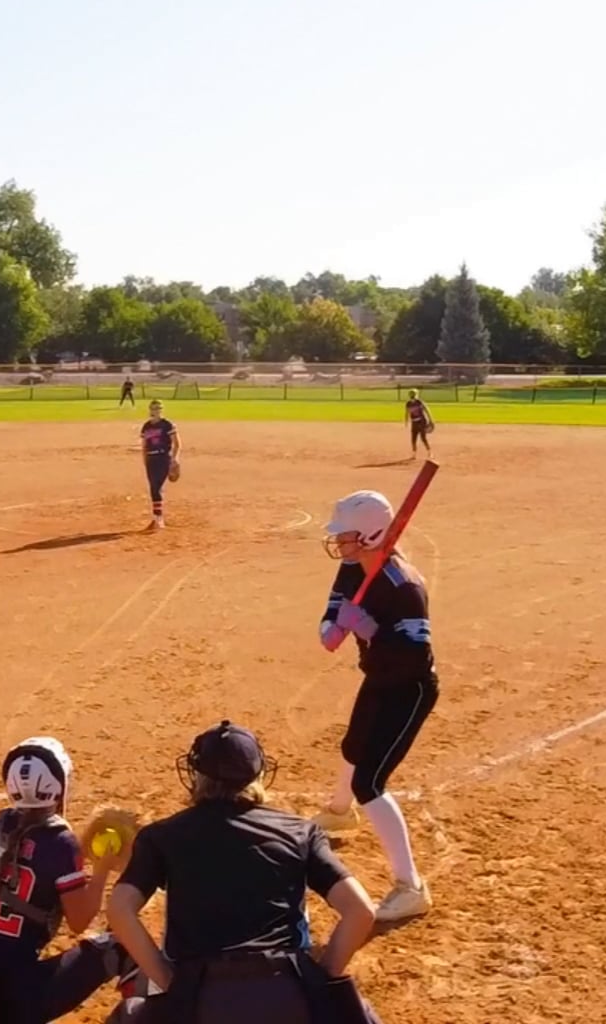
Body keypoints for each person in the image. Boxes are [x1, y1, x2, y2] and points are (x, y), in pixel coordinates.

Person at [106, 720, 382, 1023]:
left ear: (197, 776)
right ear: (258, 774)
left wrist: (172, 984)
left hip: (202, 1002)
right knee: (361, 1013)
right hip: (288, 994)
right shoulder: (300, 832)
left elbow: (119, 909)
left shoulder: (161, 836)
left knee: (127, 1015)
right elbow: (361, 911)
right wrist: (319, 981)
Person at [0, 737, 132, 1024]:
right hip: (11, 1003)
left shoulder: (1, 824)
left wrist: (77, 856)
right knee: (120, 946)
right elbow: (80, 920)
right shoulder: (61, 842)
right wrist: (102, 867)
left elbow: (29, 863)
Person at [310, 490, 435, 922]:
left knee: (370, 782)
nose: (338, 542)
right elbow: (336, 602)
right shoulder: (353, 564)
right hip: (380, 677)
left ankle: (410, 887)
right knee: (353, 745)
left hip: (408, 689)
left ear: (369, 535)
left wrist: (371, 631)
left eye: (345, 535)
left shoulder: (404, 588)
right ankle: (339, 814)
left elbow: (413, 659)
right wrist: (332, 626)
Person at [139, 400, 179, 531]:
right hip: (151, 459)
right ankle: (157, 518)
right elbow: (144, 446)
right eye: (153, 408)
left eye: (157, 408)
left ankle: (158, 519)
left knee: (156, 487)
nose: (155, 411)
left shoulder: (167, 425)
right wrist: (145, 461)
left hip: (163, 458)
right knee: (153, 488)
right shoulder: (146, 426)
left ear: (161, 410)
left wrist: (174, 459)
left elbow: (177, 444)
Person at [402, 390, 433, 459]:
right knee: (413, 439)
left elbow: (426, 410)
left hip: (422, 422)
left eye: (414, 394)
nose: (413, 396)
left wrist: (430, 419)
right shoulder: (408, 403)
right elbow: (407, 413)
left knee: (423, 438)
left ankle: (429, 452)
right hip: (414, 423)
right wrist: (406, 421)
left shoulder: (419, 402)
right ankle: (414, 454)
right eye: (413, 394)